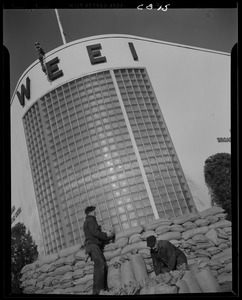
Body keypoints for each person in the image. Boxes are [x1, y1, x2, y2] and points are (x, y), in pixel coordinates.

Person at [83, 206, 115, 295]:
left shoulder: (88, 221)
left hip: (92, 245)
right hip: (93, 245)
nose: (95, 213)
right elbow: (95, 232)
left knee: (99, 266)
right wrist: (107, 235)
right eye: (94, 212)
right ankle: (98, 290)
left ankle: (101, 289)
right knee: (100, 265)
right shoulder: (91, 220)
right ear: (91, 212)